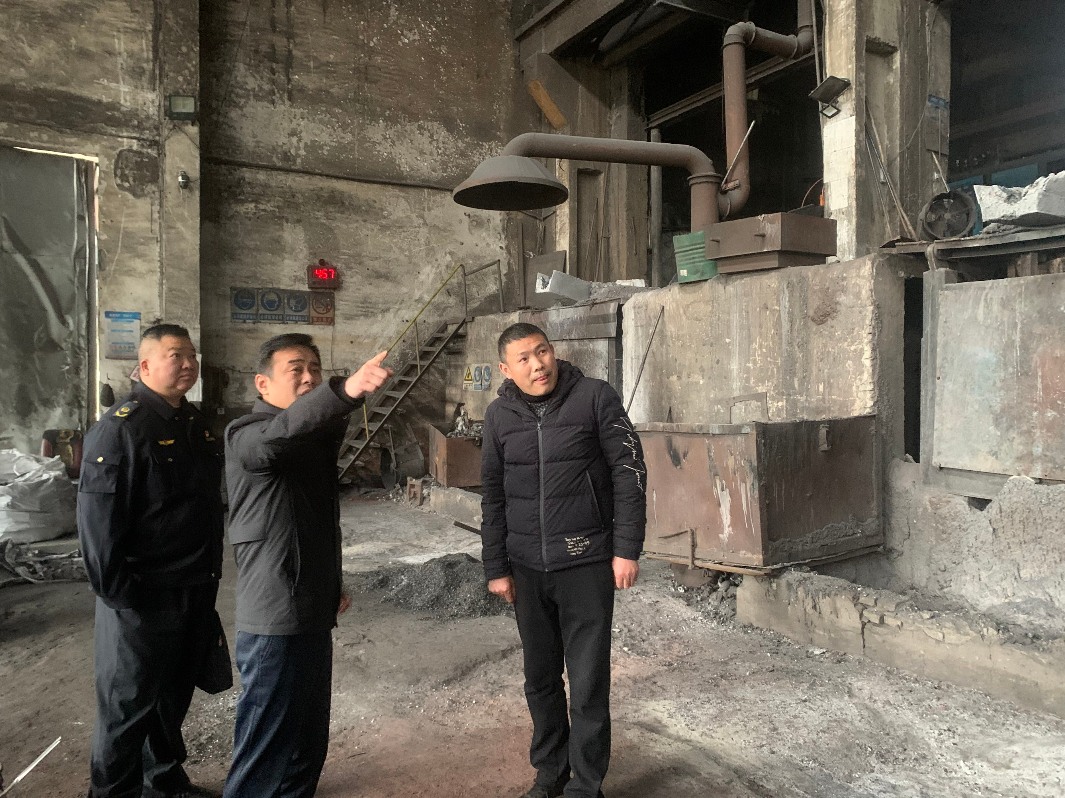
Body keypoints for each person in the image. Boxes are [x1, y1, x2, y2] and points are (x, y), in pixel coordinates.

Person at [481, 323, 647, 798]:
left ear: (554, 352)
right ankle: (550, 772)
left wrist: (626, 549)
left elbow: (630, 473)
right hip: (527, 567)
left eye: (543, 351)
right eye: (524, 359)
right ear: (506, 369)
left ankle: (585, 785)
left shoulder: (595, 397)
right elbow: (492, 493)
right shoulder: (498, 416)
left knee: (588, 681)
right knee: (540, 679)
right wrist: (496, 567)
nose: (538, 365)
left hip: (586, 562)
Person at [222, 334, 391, 798]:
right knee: (266, 748)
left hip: (312, 607)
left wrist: (332, 584)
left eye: (315, 369)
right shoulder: (246, 434)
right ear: (262, 384)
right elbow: (278, 438)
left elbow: (313, 524)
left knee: (306, 741)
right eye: (295, 369)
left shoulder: (309, 440)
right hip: (274, 615)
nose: (309, 377)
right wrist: (344, 390)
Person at [78, 324, 225, 798]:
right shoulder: (121, 429)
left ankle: (163, 782)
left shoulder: (196, 424)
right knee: (126, 707)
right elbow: (98, 524)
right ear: (144, 366)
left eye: (191, 356)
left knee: (171, 698)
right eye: (175, 355)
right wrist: (120, 596)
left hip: (193, 586)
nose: (188, 364)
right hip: (142, 595)